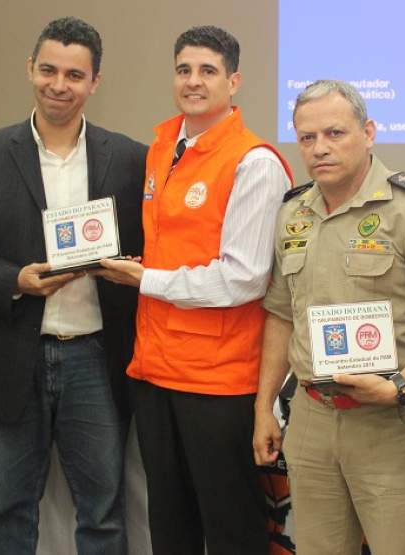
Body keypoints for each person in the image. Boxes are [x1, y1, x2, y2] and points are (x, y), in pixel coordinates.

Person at [0, 17, 146, 554]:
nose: (58, 85)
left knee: (102, 514)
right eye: (48, 70)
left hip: (96, 358)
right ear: (30, 69)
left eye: (74, 75)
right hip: (10, 356)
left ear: (94, 82)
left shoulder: (129, 158)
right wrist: (14, 280)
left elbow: (150, 251)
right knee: (7, 512)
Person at [251, 80, 405, 555]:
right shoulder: (293, 213)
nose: (320, 148)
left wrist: (401, 384)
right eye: (308, 137)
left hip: (389, 423)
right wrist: (263, 407)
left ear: (369, 132)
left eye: (335, 133)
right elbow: (280, 315)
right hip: (311, 419)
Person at [98, 25, 293, 554]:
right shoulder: (163, 149)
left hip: (218, 381)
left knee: (231, 528)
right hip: (155, 369)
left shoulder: (254, 162)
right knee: (170, 524)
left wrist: (146, 279)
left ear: (234, 82)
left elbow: (243, 277)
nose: (193, 81)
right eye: (184, 70)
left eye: (208, 71)